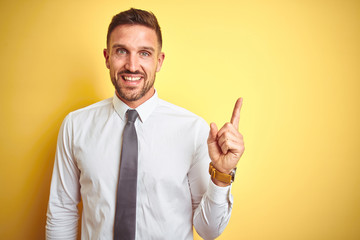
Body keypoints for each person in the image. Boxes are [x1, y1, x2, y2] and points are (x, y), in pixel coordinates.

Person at [46, 8, 244, 240]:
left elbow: (208, 231)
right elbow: (62, 211)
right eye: (121, 51)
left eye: (144, 53)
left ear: (159, 61)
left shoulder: (193, 130)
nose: (132, 65)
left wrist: (221, 173)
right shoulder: (75, 126)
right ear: (107, 58)